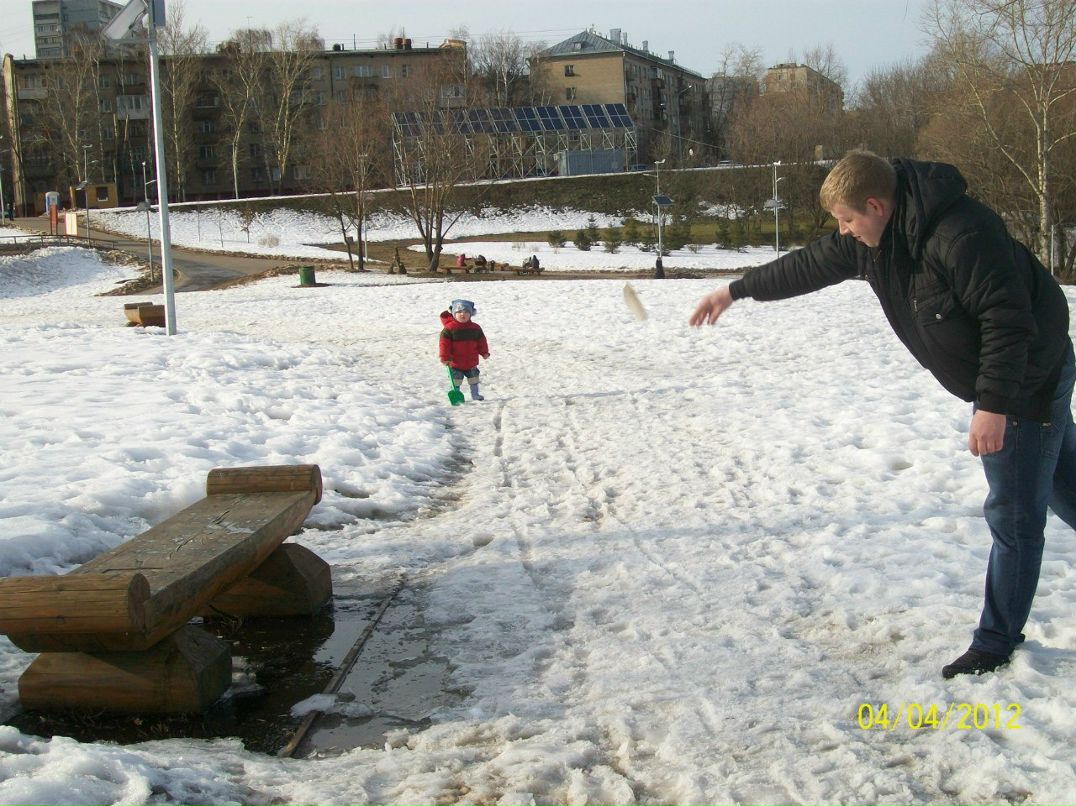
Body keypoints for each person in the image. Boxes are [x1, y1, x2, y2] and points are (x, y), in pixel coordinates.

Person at [689, 149, 1075, 680]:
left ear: (876, 204)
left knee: (1014, 515)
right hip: (1011, 384)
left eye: (848, 219)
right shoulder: (876, 240)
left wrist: (994, 407)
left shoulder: (962, 234)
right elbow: (809, 264)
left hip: (1028, 381)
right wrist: (735, 291)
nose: (843, 232)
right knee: (1063, 482)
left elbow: (1007, 322)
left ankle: (996, 642)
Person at [439, 299, 490, 401]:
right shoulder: (449, 329)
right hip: (455, 363)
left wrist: (484, 352)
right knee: (456, 380)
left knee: (474, 379)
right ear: (454, 314)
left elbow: (481, 341)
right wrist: (445, 357)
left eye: (466, 312)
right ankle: (456, 393)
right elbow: (444, 345)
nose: (463, 314)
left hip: (471, 362)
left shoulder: (475, 328)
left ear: (471, 314)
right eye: (459, 312)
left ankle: (475, 394)